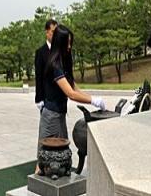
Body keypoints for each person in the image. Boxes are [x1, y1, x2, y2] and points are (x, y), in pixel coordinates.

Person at [39, 25, 105, 162]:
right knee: (45, 159)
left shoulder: (63, 61)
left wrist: (92, 98)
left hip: (59, 115)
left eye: (70, 42)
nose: (69, 46)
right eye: (66, 43)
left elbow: (73, 87)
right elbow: (71, 94)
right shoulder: (55, 65)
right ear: (59, 43)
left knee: (61, 156)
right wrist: (93, 100)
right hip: (51, 116)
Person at [34, 19, 57, 172]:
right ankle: (40, 164)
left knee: (57, 134)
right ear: (46, 32)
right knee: (45, 132)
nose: (55, 35)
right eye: (53, 32)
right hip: (46, 99)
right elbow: (38, 77)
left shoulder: (59, 51)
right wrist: (39, 98)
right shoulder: (41, 52)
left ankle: (54, 163)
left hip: (58, 98)